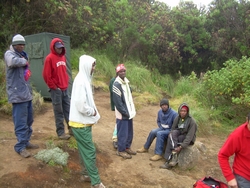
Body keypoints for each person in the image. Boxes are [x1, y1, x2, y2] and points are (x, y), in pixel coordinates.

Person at [69, 55, 105, 188]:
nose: (94, 68)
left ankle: (85, 174)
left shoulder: (83, 79)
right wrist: (92, 111)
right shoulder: (80, 81)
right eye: (92, 65)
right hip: (81, 123)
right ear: (86, 65)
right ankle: (95, 182)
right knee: (89, 151)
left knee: (83, 150)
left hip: (81, 122)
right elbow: (80, 104)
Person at [4, 34, 39, 158]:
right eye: (19, 44)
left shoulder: (23, 54)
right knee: (20, 122)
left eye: (23, 44)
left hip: (26, 93)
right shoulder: (9, 54)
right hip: (17, 94)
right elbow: (12, 62)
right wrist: (24, 62)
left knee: (29, 120)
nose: (22, 46)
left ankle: (26, 141)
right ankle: (20, 147)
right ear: (14, 45)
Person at [42, 38, 72, 140]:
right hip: (56, 90)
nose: (60, 49)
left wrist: (66, 81)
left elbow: (64, 72)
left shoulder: (63, 57)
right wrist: (54, 87)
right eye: (58, 48)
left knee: (68, 110)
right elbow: (46, 75)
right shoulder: (49, 58)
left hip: (65, 88)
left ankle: (71, 129)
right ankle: (61, 133)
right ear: (53, 47)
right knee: (59, 111)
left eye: (61, 48)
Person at [160, 103, 197, 169]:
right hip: (180, 134)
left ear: (187, 112)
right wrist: (171, 134)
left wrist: (181, 146)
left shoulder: (192, 121)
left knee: (175, 139)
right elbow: (173, 128)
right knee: (172, 134)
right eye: (181, 111)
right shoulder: (178, 118)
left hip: (187, 138)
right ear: (179, 111)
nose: (182, 113)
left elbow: (189, 136)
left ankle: (169, 161)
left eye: (184, 111)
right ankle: (173, 157)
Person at [218, 114, 250, 188]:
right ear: (247, 120)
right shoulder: (237, 135)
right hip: (244, 177)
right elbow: (222, 155)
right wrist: (230, 178)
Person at [112, 64, 136, 159]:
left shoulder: (126, 82)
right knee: (122, 132)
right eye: (121, 71)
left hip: (129, 112)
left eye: (124, 71)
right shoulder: (116, 84)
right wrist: (124, 111)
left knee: (129, 131)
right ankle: (121, 150)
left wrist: (130, 111)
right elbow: (118, 101)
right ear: (117, 73)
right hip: (123, 113)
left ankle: (127, 147)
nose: (123, 73)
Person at [109, 71, 118, 149]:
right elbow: (113, 91)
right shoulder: (113, 80)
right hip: (117, 105)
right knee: (118, 122)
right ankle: (115, 139)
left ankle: (118, 138)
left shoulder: (125, 80)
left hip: (124, 105)